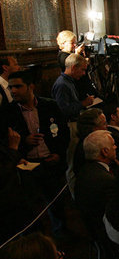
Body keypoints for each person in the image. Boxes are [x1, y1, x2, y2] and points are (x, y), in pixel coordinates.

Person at [6, 70, 69, 233]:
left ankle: (61, 234)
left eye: (18, 86)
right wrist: (24, 143)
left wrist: (59, 154)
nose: (13, 91)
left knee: (57, 202)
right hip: (27, 166)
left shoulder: (49, 105)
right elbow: (4, 143)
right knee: (33, 207)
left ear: (30, 86)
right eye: (11, 87)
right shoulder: (7, 112)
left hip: (51, 162)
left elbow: (63, 132)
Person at [74, 130, 117, 235]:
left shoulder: (84, 171)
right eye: (113, 145)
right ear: (105, 151)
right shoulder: (105, 180)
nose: (116, 147)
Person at [51, 54, 94, 122]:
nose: (84, 73)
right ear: (73, 68)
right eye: (82, 70)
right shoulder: (62, 85)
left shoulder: (69, 81)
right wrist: (83, 103)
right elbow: (63, 110)